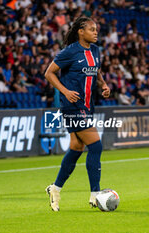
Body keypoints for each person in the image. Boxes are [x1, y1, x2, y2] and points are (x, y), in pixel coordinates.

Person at [44, 17, 110, 211]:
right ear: (81, 31)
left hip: (88, 106)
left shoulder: (96, 50)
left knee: (76, 147)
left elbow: (95, 71)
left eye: (96, 29)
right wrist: (65, 91)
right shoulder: (70, 51)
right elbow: (49, 73)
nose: (96, 32)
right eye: (92, 29)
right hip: (72, 106)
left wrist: (103, 84)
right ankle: (96, 194)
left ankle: (55, 188)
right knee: (96, 146)